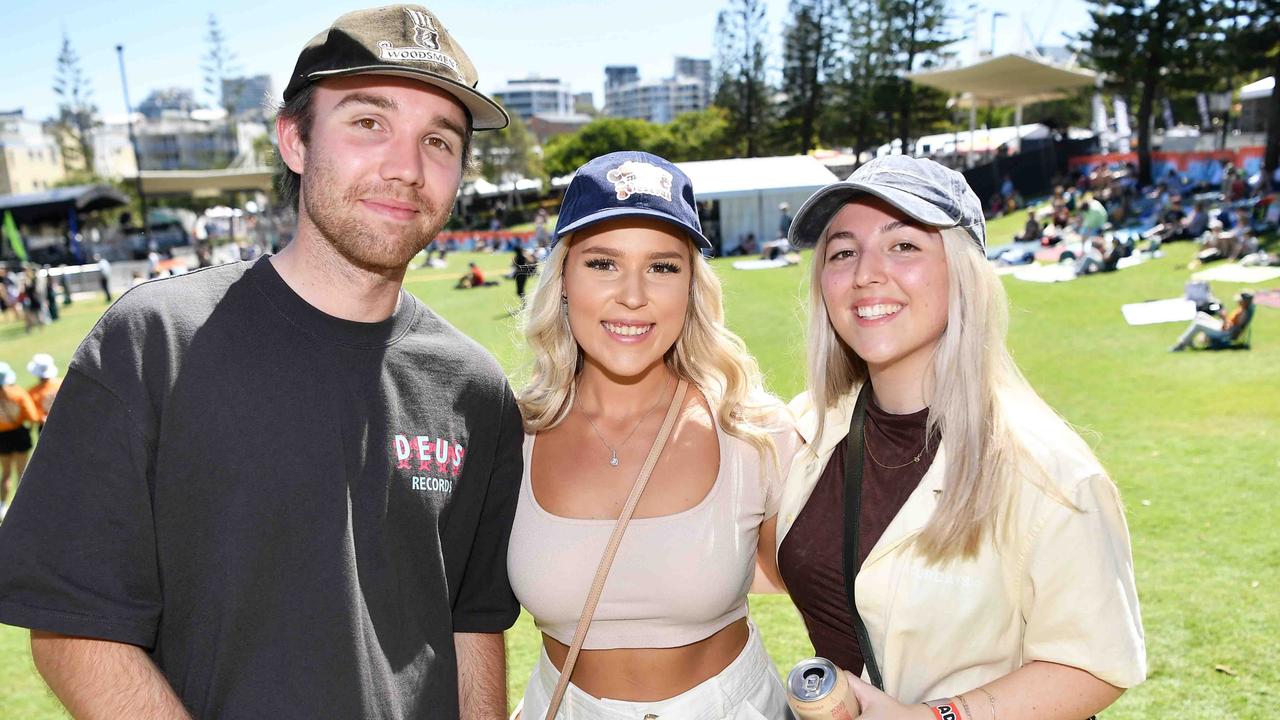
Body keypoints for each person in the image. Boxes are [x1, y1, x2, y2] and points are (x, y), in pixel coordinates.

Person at [0, 6, 522, 718]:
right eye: (369, 123)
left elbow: (472, 622)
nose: (406, 168)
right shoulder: (155, 342)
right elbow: (71, 626)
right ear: (295, 140)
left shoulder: (475, 389)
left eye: (439, 140)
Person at [765, 155, 1145, 718]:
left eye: (904, 245)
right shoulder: (809, 429)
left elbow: (1093, 664)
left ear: (962, 271)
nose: (867, 272)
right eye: (843, 251)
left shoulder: (1050, 473)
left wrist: (935, 716)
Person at [510, 151, 798, 719]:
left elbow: (830, 591)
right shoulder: (507, 436)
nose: (633, 295)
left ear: (692, 285)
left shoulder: (754, 432)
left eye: (663, 266)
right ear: (562, 279)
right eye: (602, 263)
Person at [0, 362, 39, 521]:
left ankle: (2, 507)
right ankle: (21, 510)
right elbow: (33, 417)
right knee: (22, 473)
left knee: (6, 474)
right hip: (19, 435)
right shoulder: (18, 393)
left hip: (2, 437)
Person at [1170, 291, 1255, 351]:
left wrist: (1224, 317)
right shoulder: (1244, 309)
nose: (1238, 301)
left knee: (1198, 324)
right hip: (1223, 326)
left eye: (1240, 300)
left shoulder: (1243, 313)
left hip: (1224, 332)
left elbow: (1232, 330)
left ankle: (1181, 344)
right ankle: (1188, 341)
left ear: (1245, 302)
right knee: (1200, 315)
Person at [25, 353, 62, 433]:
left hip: (45, 428)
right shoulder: (62, 383)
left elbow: (34, 414)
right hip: (66, 420)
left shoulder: (32, 392)